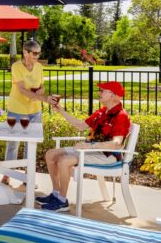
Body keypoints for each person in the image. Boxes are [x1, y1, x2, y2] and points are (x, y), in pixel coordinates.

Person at [38, 81, 131, 212]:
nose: (99, 93)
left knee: (64, 161)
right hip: (90, 150)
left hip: (106, 155)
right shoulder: (102, 111)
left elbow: (116, 143)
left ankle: (62, 201)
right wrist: (61, 111)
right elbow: (81, 125)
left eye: (103, 90)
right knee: (51, 154)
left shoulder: (121, 116)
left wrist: (91, 146)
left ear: (113, 95)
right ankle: (56, 194)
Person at [5, 39, 46, 162]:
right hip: (17, 109)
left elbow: (42, 86)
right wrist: (42, 98)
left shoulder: (39, 67)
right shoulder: (16, 66)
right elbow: (22, 89)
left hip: (34, 111)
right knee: (13, 144)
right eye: (34, 53)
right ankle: (8, 174)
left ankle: (28, 174)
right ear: (25, 53)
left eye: (39, 53)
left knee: (31, 143)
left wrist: (40, 91)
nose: (37, 56)